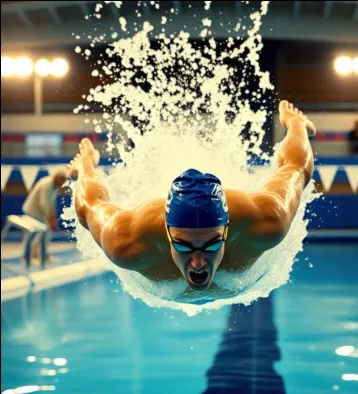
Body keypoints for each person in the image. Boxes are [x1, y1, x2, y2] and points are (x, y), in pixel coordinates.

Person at [67, 100, 315, 293]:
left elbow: (296, 167)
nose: (198, 263)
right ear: (166, 232)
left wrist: (296, 126)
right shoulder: (127, 241)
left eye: (213, 243)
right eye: (183, 245)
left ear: (228, 229)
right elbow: (91, 205)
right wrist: (86, 167)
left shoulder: (267, 220)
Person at [22, 169, 67, 261]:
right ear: (57, 178)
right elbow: (43, 203)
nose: (63, 182)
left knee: (46, 233)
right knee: (33, 234)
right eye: (62, 180)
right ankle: (27, 256)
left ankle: (41, 255)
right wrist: (50, 218)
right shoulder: (47, 185)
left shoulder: (54, 186)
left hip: (40, 213)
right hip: (33, 211)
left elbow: (51, 203)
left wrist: (53, 217)